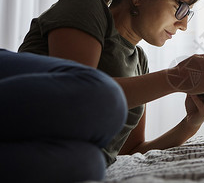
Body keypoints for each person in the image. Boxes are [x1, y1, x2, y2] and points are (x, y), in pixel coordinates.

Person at [16, 0, 204, 181]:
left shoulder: (139, 61)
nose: (183, 24)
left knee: (89, 163)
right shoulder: (85, 3)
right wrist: (179, 78)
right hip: (18, 120)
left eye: (188, 13)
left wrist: (192, 121)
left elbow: (130, 151)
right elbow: (78, 97)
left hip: (62, 157)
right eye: (180, 8)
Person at [0, 49, 127, 182]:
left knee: (87, 165)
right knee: (107, 98)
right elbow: (84, 104)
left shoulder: (139, 60)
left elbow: (130, 147)